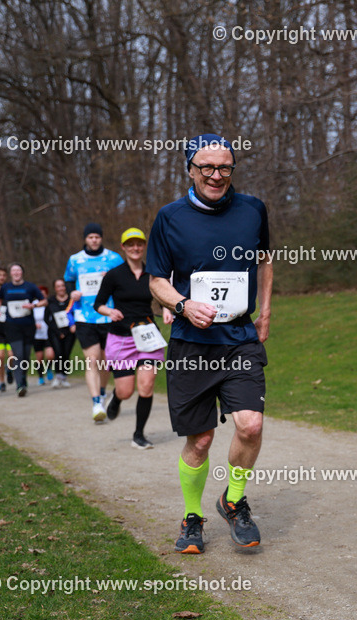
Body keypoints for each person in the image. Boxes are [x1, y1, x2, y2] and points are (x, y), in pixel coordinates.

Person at [147, 133, 272, 554]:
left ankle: (233, 501)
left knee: (250, 424)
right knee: (199, 440)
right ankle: (192, 516)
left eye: (224, 167)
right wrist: (182, 305)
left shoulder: (253, 209)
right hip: (191, 343)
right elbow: (156, 279)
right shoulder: (169, 217)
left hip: (239, 338)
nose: (216, 175)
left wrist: (266, 311)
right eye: (206, 167)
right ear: (190, 169)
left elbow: (265, 259)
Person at [94, 228, 173, 449]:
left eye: (139, 244)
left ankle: (139, 434)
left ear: (144, 246)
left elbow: (164, 300)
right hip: (121, 338)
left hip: (147, 335)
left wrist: (167, 311)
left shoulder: (153, 274)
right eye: (131, 244)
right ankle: (117, 398)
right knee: (126, 391)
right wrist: (109, 312)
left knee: (146, 386)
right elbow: (97, 303)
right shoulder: (114, 275)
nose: (135, 248)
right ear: (124, 247)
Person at [64, 222, 124, 421]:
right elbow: (69, 279)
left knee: (106, 361)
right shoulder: (75, 260)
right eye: (90, 237)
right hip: (84, 316)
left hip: (107, 315)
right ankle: (96, 403)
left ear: (101, 238)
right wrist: (72, 292)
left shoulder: (113, 258)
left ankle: (102, 392)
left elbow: (125, 281)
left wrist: (112, 279)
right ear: (85, 239)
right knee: (92, 360)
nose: (94, 240)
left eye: (97, 237)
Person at [0, 264, 46, 397]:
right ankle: (19, 385)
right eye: (13, 271)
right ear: (11, 274)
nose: (16, 273)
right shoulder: (6, 287)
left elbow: (44, 301)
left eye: (18, 270)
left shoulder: (30, 287)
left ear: (22, 272)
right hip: (12, 326)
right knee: (18, 355)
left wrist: (33, 305)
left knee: (26, 356)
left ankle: (22, 378)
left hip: (28, 325)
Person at [46, 278, 76, 387]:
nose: (61, 288)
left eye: (62, 286)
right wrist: (58, 332)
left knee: (66, 354)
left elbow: (76, 313)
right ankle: (58, 375)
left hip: (70, 331)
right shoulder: (51, 301)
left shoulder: (72, 300)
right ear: (55, 288)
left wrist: (74, 325)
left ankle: (64, 376)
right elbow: (47, 318)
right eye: (58, 286)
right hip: (55, 332)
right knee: (58, 353)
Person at [32, 286, 55, 385]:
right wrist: (34, 324)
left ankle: (49, 368)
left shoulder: (50, 303)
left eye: (43, 293)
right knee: (39, 357)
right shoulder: (33, 304)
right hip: (37, 335)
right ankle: (41, 377)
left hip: (48, 333)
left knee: (50, 355)